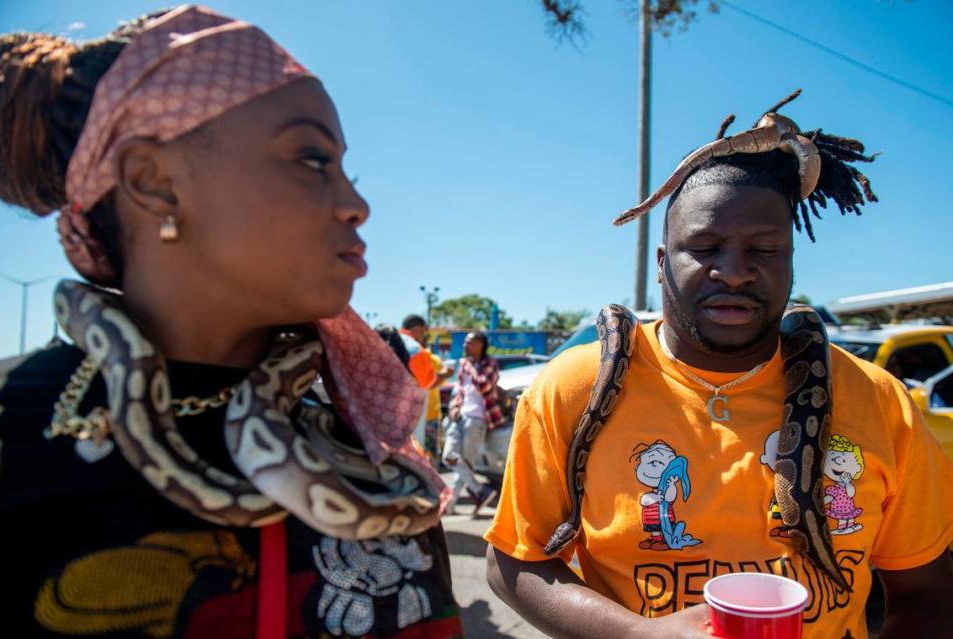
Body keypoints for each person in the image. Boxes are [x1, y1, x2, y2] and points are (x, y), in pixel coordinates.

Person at [0, 7, 462, 637]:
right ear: (154, 182)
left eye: (346, 169)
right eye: (312, 159)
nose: (357, 204)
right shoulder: (12, 435)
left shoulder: (366, 438)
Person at [485, 94, 953, 639]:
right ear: (662, 265)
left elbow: (928, 594)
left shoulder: (877, 398)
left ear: (792, 260)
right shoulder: (571, 388)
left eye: (765, 248)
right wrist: (639, 635)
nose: (733, 272)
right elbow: (513, 561)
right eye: (704, 247)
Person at [444, 331, 501, 515]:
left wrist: (469, 366)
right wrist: (454, 405)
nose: (465, 346)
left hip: (476, 419)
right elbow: (459, 390)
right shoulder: (464, 365)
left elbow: (483, 385)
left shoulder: (489, 364)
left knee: (464, 464)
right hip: (459, 417)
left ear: (480, 345)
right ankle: (479, 490)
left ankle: (449, 506)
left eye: (469, 342)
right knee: (449, 456)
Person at [399, 315, 453, 456]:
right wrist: (443, 376)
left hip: (392, 413)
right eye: (423, 332)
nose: (423, 337)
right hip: (415, 415)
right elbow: (427, 383)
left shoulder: (391, 340)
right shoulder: (415, 349)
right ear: (417, 329)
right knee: (418, 452)